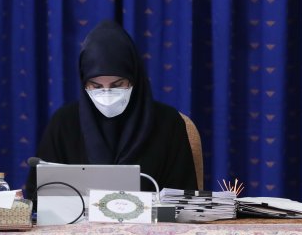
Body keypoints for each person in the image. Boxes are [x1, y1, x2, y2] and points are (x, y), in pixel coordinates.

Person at [25, 20, 198, 200]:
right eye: (96, 86)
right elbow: (37, 197)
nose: (107, 93)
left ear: (134, 79)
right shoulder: (64, 123)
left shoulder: (168, 122)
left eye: (117, 85)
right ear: (84, 84)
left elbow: (184, 199)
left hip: (152, 219)